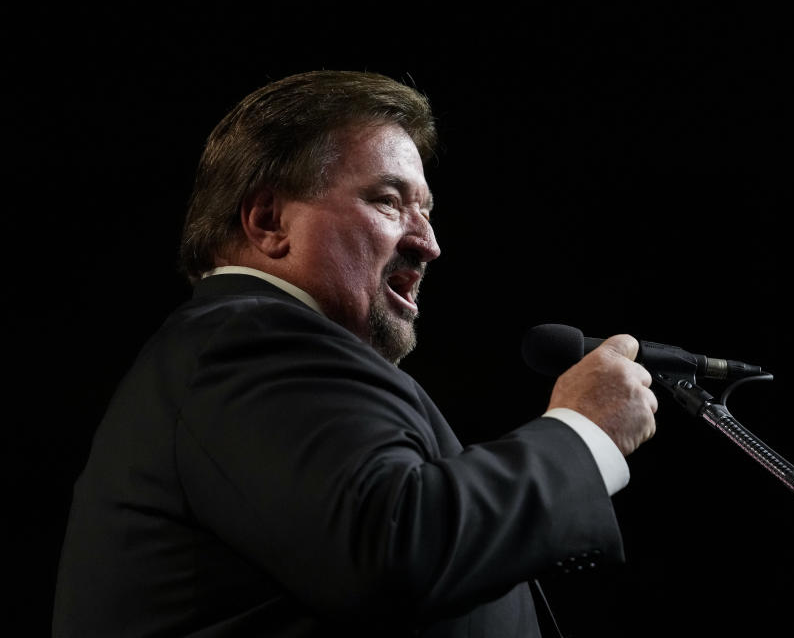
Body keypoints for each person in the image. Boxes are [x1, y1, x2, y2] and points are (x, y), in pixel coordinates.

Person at [52, 70, 658, 637]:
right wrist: (585, 432)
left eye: (427, 210)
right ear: (268, 222)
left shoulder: (250, 349)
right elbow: (396, 545)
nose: (429, 244)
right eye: (390, 201)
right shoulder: (248, 343)